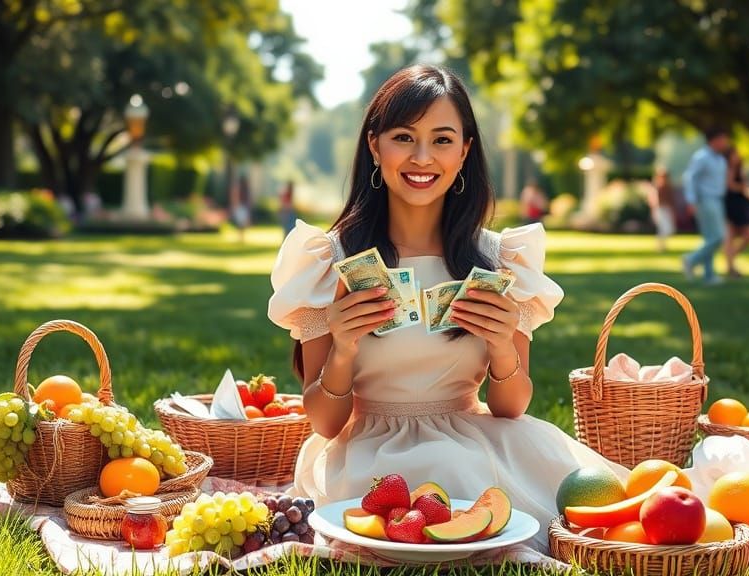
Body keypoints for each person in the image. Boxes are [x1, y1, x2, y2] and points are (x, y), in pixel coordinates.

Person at [266, 65, 627, 553]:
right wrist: (344, 350)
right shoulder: (327, 262)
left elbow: (511, 406)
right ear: (374, 146)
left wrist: (501, 345)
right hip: (368, 459)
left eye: (441, 140)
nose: (421, 157)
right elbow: (326, 424)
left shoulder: (501, 259)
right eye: (403, 137)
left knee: (596, 517)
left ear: (465, 151)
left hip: (476, 441)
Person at [681, 127, 731, 285]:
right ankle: (691, 259)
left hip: (717, 199)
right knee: (718, 237)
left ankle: (709, 275)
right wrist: (691, 200)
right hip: (705, 200)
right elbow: (690, 178)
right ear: (714, 140)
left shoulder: (720, 158)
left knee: (710, 238)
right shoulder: (702, 157)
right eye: (723, 138)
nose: (726, 142)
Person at [722, 148, 749, 278]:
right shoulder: (726, 169)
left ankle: (731, 258)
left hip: (740, 206)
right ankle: (731, 267)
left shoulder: (741, 170)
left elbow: (746, 186)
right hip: (729, 205)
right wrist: (742, 188)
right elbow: (729, 185)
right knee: (729, 237)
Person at [647, 167, 676, 252]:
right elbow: (653, 200)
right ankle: (660, 246)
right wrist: (653, 211)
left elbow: (671, 201)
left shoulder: (668, 187)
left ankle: (662, 245)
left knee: (668, 229)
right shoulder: (657, 187)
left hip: (667, 209)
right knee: (663, 228)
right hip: (660, 210)